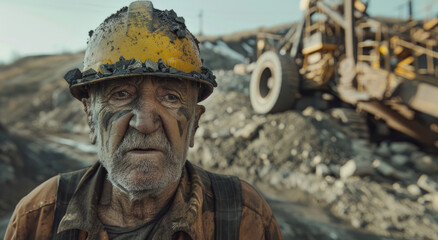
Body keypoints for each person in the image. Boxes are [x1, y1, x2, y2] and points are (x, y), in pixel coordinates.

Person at [4, 1, 283, 239]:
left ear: (194, 124)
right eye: (122, 94)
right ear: (91, 117)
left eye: (171, 98)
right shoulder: (39, 217)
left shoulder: (244, 216)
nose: (145, 123)